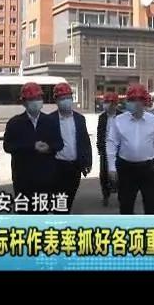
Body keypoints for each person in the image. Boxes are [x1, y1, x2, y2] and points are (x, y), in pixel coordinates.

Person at [107, 84, 154, 215]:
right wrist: (111, 168)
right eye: (131, 100)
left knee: (151, 206)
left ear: (144, 102)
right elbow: (111, 144)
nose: (134, 103)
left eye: (137, 100)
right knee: (126, 206)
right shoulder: (119, 121)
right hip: (126, 169)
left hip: (149, 169)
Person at [3, 82, 63, 214]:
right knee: (24, 214)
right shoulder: (15, 123)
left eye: (38, 98)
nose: (36, 102)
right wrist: (31, 147)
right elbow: (8, 146)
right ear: (24, 102)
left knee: (41, 213)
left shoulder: (50, 121)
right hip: (23, 178)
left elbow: (59, 144)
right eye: (31, 99)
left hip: (45, 178)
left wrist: (49, 148)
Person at [48, 83, 92, 213]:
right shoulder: (49, 120)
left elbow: (85, 141)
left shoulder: (80, 119)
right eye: (62, 98)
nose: (66, 101)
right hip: (56, 167)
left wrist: (87, 162)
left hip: (74, 167)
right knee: (58, 201)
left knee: (69, 198)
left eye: (68, 97)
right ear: (56, 100)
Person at [97, 92, 121, 206]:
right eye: (105, 102)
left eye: (108, 102)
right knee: (104, 174)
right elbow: (100, 134)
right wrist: (100, 148)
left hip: (119, 150)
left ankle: (121, 194)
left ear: (114, 104)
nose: (105, 105)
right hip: (105, 150)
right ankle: (106, 195)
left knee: (121, 174)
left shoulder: (122, 117)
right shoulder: (102, 117)